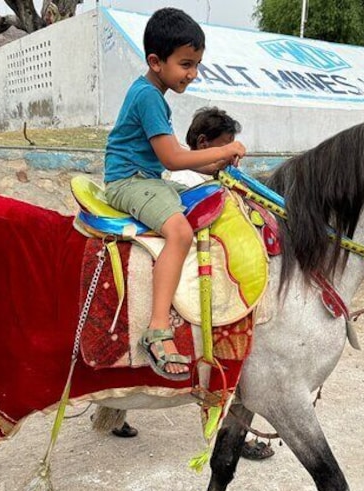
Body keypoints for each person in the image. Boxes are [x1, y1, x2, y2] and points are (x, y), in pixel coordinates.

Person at [113, 107, 274, 461]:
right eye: (221, 146)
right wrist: (224, 158)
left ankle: (113, 409)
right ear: (204, 143)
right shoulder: (192, 185)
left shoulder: (191, 176)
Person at [103, 7, 246, 381]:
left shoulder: (154, 94)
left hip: (148, 176)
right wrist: (222, 151)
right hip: (130, 181)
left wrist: (215, 169)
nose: (193, 74)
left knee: (211, 200)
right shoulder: (148, 97)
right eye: (186, 64)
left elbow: (176, 159)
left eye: (196, 64)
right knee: (180, 232)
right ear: (156, 61)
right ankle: (156, 330)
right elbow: (172, 157)